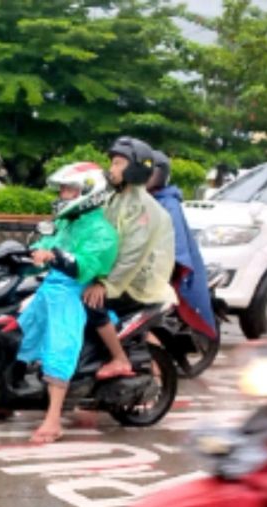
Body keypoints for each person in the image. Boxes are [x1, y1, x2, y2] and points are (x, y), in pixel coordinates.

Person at [17, 162, 119, 443]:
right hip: (49, 290)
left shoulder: (102, 231)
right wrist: (35, 252)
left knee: (58, 349)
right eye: (62, 189)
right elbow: (44, 244)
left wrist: (54, 256)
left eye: (68, 189)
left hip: (73, 293)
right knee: (19, 336)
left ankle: (53, 420)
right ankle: (4, 401)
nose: (62, 194)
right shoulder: (66, 222)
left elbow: (85, 265)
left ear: (89, 191)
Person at [83, 136, 177, 380]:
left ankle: (119, 359)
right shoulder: (114, 198)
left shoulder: (142, 207)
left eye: (118, 163)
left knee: (91, 304)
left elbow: (132, 254)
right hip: (111, 273)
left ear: (135, 168)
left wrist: (105, 283)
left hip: (135, 282)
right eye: (112, 163)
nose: (111, 169)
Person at [148, 150, 216, 339]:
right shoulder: (139, 199)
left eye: (152, 172)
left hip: (162, 265)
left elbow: (175, 242)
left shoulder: (168, 203)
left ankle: (156, 362)